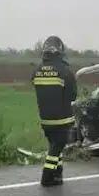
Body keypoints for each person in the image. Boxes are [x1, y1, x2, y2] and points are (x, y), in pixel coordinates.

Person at [31, 35, 78, 187]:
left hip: (45, 119)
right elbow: (72, 96)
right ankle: (47, 176)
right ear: (60, 51)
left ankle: (58, 175)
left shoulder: (37, 70)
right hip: (62, 119)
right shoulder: (65, 71)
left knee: (54, 146)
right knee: (56, 148)